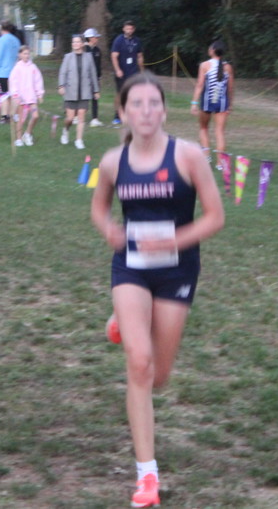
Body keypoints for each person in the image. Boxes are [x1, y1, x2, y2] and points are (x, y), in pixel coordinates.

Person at [90, 72, 225, 508]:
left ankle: (126, 320)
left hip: (177, 270)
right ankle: (147, 476)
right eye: (137, 104)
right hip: (130, 266)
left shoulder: (187, 156)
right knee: (140, 364)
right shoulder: (113, 161)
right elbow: (99, 207)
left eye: (153, 103)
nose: (146, 111)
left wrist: (173, 241)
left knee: (159, 377)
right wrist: (109, 229)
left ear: (164, 111)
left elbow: (215, 216)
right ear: (124, 111)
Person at [190, 41, 234, 169]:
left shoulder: (205, 65)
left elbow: (200, 85)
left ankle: (206, 157)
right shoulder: (228, 67)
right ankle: (220, 163)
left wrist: (194, 103)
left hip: (207, 102)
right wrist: (230, 105)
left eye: (210, 48)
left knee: (203, 128)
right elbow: (230, 89)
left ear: (213, 51)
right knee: (219, 132)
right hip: (222, 103)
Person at [58, 35, 100, 149]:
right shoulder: (67, 57)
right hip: (70, 91)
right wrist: (61, 85)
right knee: (70, 118)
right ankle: (65, 130)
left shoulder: (88, 57)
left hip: (84, 92)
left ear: (82, 44)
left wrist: (96, 90)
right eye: (73, 42)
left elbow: (93, 74)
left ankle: (79, 140)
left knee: (81, 117)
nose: (75, 44)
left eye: (77, 42)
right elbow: (62, 72)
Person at [8, 45, 44, 147]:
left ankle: (27, 134)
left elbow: (38, 81)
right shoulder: (17, 68)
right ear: (20, 55)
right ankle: (18, 139)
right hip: (21, 98)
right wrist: (15, 95)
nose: (26, 56)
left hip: (31, 97)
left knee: (35, 116)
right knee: (20, 119)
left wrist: (40, 94)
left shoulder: (33, 67)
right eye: (24, 54)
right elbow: (13, 82)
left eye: (28, 54)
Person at [110, 21, 144, 125]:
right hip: (122, 73)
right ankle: (117, 116)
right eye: (127, 28)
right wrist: (117, 70)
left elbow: (140, 56)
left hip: (133, 72)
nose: (129, 31)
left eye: (131, 29)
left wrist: (142, 71)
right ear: (123, 29)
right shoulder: (119, 40)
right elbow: (114, 56)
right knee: (120, 94)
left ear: (133, 29)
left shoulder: (137, 41)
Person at [0, 21, 21, 124]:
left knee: (3, 95)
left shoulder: (1, 40)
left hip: (2, 73)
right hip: (14, 72)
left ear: (2, 29)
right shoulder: (16, 40)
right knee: (11, 95)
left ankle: (4, 117)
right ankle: (12, 116)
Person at [83, 27, 104, 127]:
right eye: (95, 37)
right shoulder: (83, 49)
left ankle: (94, 119)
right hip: (84, 78)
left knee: (95, 97)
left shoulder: (97, 50)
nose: (97, 39)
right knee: (83, 98)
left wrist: (99, 78)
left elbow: (98, 66)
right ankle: (77, 117)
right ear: (90, 38)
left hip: (94, 78)